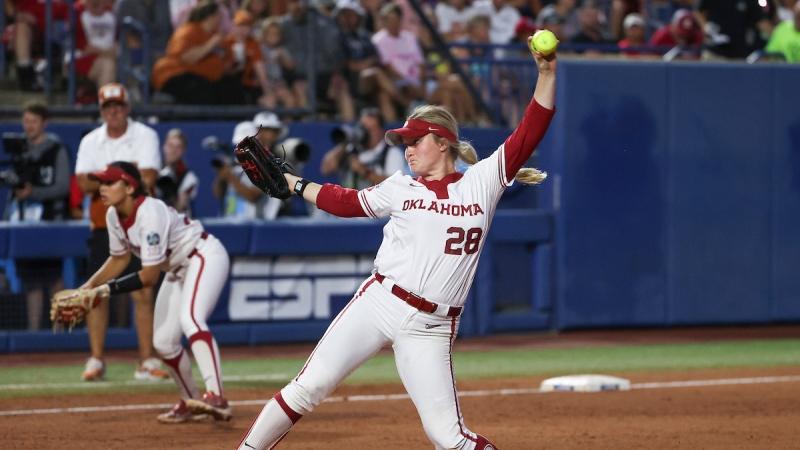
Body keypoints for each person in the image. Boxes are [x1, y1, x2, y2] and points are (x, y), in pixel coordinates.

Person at [236, 37, 556, 450]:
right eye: (404, 142)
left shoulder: (483, 181)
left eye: (414, 140)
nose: (407, 150)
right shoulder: (400, 188)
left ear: (442, 143)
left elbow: (532, 126)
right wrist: (295, 183)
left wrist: (546, 72)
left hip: (432, 327)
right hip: (380, 301)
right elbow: (346, 202)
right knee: (308, 386)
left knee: (447, 437)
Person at [80, 161, 232, 423]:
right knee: (163, 342)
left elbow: (149, 276)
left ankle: (217, 396)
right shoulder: (113, 215)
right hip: (176, 268)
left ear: (129, 186)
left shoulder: (150, 212)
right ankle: (190, 401)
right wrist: (88, 286)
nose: (102, 188)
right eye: (101, 182)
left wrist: (104, 290)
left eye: (109, 182)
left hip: (202, 255)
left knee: (191, 319)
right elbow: (119, 258)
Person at [75, 82, 167, 382]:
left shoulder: (145, 134)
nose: (114, 112)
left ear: (127, 107)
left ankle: (147, 359)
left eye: (118, 106)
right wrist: (125, 175)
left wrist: (101, 176)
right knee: (98, 294)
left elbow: (148, 177)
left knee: (142, 291)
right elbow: (82, 183)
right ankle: (96, 359)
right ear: (102, 110)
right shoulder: (91, 139)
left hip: (140, 224)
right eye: (108, 107)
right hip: (103, 224)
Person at [2, 101, 70, 330]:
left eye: (33, 121)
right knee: (31, 280)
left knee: (53, 276)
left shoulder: (56, 149)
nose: (28, 126)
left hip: (51, 220)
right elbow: (15, 187)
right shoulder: (20, 152)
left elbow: (63, 187)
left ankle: (60, 330)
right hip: (25, 222)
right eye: (26, 121)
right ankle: (34, 332)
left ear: (44, 123)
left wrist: (35, 192)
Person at [212, 112, 288, 219]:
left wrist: (230, 177)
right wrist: (222, 175)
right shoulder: (234, 162)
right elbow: (218, 194)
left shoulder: (267, 164)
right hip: (230, 220)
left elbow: (253, 196)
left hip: (255, 222)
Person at [320, 108, 406, 190]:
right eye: (363, 127)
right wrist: (345, 143)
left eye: (369, 129)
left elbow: (395, 185)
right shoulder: (352, 149)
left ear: (379, 130)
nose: (365, 132)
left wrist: (364, 172)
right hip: (348, 202)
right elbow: (326, 169)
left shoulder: (392, 152)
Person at [156, 128, 199, 216]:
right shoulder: (153, 172)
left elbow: (179, 208)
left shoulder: (189, 178)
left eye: (178, 147)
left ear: (183, 150)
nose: (173, 151)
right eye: (170, 145)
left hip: (179, 224)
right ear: (164, 146)